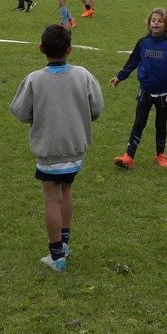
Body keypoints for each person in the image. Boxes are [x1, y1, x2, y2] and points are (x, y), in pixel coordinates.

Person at [10, 24, 104, 272]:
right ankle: (64, 243)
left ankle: (56, 255)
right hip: (75, 150)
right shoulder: (83, 75)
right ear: (70, 49)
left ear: (41, 49)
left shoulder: (35, 79)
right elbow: (96, 108)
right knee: (66, 191)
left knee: (52, 198)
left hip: (49, 151)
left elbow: (20, 111)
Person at [110, 7, 167, 169]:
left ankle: (160, 154)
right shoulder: (143, 43)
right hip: (145, 91)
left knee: (160, 125)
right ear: (149, 23)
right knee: (139, 122)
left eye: (160, 21)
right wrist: (120, 77)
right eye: (153, 20)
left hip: (164, 93)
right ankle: (129, 156)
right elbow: (133, 61)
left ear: (166, 24)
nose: (156, 23)